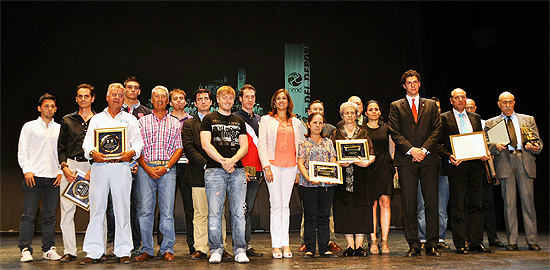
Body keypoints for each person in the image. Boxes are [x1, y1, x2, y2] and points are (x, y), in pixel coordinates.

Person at [80, 83, 144, 265]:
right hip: (100, 168)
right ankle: (94, 251)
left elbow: (138, 143)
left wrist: (131, 153)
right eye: (113, 94)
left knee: (122, 209)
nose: (117, 97)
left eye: (120, 95)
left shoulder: (131, 120)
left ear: (124, 99)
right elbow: (87, 144)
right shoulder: (97, 119)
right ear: (107, 97)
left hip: (121, 168)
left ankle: (124, 250)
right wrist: (93, 153)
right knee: (97, 209)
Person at [388, 70, 442, 257]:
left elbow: (437, 130)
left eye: (415, 82)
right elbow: (395, 132)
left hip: (429, 160)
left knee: (431, 203)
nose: (412, 85)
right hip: (406, 160)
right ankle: (413, 244)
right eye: (409, 83)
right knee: (409, 203)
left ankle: (432, 244)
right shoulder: (396, 106)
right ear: (404, 86)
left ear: (419, 84)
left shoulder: (431, 105)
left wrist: (424, 150)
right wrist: (412, 150)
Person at [485, 91, 542, 252]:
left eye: (510, 102)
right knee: (509, 204)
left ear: (514, 103)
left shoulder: (527, 119)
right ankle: (512, 241)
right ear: (499, 104)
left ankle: (532, 240)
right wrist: (494, 146)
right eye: (504, 102)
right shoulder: (491, 123)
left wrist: (535, 147)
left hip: (524, 161)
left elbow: (538, 141)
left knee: (528, 202)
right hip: (504, 162)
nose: (507, 105)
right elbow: (485, 143)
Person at [438, 88, 492, 254]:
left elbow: (480, 139)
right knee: (458, 205)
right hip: (456, 166)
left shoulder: (475, 118)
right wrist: (449, 156)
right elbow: (438, 144)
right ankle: (460, 243)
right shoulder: (443, 118)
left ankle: (476, 241)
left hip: (476, 165)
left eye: (463, 97)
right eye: (457, 97)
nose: (460, 100)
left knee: (477, 204)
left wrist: (485, 152)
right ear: (451, 100)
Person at [200, 86, 250, 264]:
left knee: (238, 213)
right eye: (224, 98)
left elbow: (244, 146)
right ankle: (216, 249)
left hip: (237, 171)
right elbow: (206, 144)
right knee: (214, 212)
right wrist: (223, 161)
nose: (228, 101)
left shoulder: (239, 121)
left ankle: (240, 249)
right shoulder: (208, 119)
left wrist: (232, 161)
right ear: (218, 100)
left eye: (231, 98)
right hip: (215, 171)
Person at [133, 86, 182, 262]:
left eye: (163, 97)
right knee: (145, 211)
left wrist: (166, 167)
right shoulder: (142, 122)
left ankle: (167, 248)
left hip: (167, 170)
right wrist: (146, 167)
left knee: (167, 211)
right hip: (146, 169)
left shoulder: (175, 122)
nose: (160, 99)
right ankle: (146, 249)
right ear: (151, 100)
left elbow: (179, 148)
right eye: (156, 97)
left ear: (167, 101)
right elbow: (136, 147)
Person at [183, 89, 230, 261]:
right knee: (201, 213)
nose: (203, 102)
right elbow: (189, 149)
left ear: (212, 102)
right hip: (198, 174)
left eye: (206, 99)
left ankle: (220, 247)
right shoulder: (189, 124)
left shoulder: (220, 121)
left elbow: (224, 146)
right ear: (194, 103)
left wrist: (218, 163)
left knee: (219, 213)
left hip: (219, 174)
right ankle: (201, 248)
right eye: (199, 99)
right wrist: (207, 164)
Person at [258, 89, 305, 259]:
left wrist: (299, 170)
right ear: (274, 102)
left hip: (291, 166)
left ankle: (285, 243)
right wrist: (266, 166)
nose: (281, 101)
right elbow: (261, 144)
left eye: (284, 98)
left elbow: (300, 148)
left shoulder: (296, 122)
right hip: (274, 166)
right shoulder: (266, 120)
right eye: (278, 98)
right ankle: (276, 245)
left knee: (286, 206)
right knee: (276, 205)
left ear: (288, 101)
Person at [17, 93, 62, 262]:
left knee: (50, 215)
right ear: (39, 108)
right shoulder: (29, 127)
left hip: (53, 177)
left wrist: (59, 170)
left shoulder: (59, 128)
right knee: (29, 214)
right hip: (33, 177)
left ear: (55, 109)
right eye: (46, 106)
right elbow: (23, 150)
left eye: (52, 106)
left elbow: (62, 152)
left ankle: (48, 248)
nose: (49, 109)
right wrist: (27, 170)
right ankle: (25, 249)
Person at [57, 84, 96, 262]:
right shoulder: (67, 120)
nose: (83, 99)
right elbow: (61, 148)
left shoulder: (99, 120)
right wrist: (65, 168)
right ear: (76, 99)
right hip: (71, 167)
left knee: (97, 210)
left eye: (86, 96)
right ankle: (69, 251)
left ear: (92, 98)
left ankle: (96, 249)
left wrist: (94, 168)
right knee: (67, 211)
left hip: (93, 166)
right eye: (79, 96)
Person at [332, 101, 375, 257]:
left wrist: (365, 162)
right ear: (342, 116)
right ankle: (350, 246)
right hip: (343, 178)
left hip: (361, 176)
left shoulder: (363, 133)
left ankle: (359, 245)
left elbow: (371, 153)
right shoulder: (336, 133)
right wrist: (338, 162)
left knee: (361, 209)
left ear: (357, 115)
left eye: (352, 113)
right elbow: (331, 155)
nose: (349, 116)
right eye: (346, 113)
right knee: (346, 209)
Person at [298, 100, 341, 253]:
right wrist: (309, 177)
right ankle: (310, 248)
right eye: (314, 122)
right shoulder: (303, 143)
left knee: (324, 217)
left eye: (320, 122)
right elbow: (300, 163)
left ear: (324, 125)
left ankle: (324, 247)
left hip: (327, 185)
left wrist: (333, 176)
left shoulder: (328, 142)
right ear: (308, 124)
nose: (317, 125)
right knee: (310, 216)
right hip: (307, 185)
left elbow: (333, 161)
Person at [464, 98, 506, 249]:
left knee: (488, 203)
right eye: (466, 108)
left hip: (484, 167)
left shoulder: (484, 124)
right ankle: (470, 238)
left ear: (475, 108)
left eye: (471, 107)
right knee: (469, 204)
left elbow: (493, 145)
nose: (469, 110)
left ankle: (492, 237)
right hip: (467, 168)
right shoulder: (460, 124)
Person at [233, 84, 264, 257]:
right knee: (240, 209)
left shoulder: (260, 119)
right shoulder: (234, 118)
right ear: (240, 99)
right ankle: (239, 245)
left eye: (253, 96)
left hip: (257, 170)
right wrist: (239, 167)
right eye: (247, 96)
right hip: (240, 169)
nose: (250, 99)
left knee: (248, 209)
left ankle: (246, 244)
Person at [417, 97, 450, 251]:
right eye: (432, 107)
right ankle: (424, 237)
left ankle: (440, 237)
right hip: (423, 166)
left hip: (443, 169)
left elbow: (447, 145)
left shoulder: (444, 124)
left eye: (437, 107)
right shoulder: (423, 125)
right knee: (423, 204)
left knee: (441, 205)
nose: (435, 110)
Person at [364, 100, 396, 255]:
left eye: (376, 109)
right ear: (365, 112)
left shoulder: (387, 128)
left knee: (385, 202)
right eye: (371, 109)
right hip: (369, 168)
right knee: (372, 205)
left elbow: (392, 149)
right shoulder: (361, 129)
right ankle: (373, 240)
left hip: (384, 166)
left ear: (380, 112)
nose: (374, 111)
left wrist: (393, 166)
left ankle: (384, 241)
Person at [169, 88, 195, 254]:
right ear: (170, 102)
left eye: (181, 99)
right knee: (166, 208)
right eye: (175, 99)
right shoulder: (164, 119)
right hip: (169, 166)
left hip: (188, 166)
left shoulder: (192, 121)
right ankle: (164, 248)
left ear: (185, 102)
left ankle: (193, 246)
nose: (178, 101)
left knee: (190, 208)